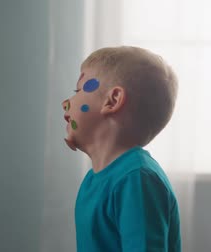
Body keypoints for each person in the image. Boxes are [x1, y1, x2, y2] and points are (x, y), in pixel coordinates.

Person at [62, 46, 181, 252]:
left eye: (79, 90)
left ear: (113, 100)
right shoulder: (93, 180)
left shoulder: (136, 178)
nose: (66, 103)